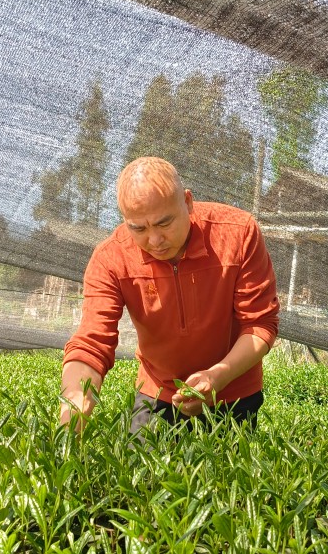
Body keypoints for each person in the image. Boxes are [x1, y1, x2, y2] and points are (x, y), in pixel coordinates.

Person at [60, 156, 279, 434]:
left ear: (187, 202)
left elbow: (260, 324)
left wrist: (218, 376)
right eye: (138, 228)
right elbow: (92, 341)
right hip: (158, 392)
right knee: (141, 474)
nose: (154, 240)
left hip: (234, 390)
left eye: (164, 223)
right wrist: (75, 397)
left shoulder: (237, 234)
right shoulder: (111, 258)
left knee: (227, 475)